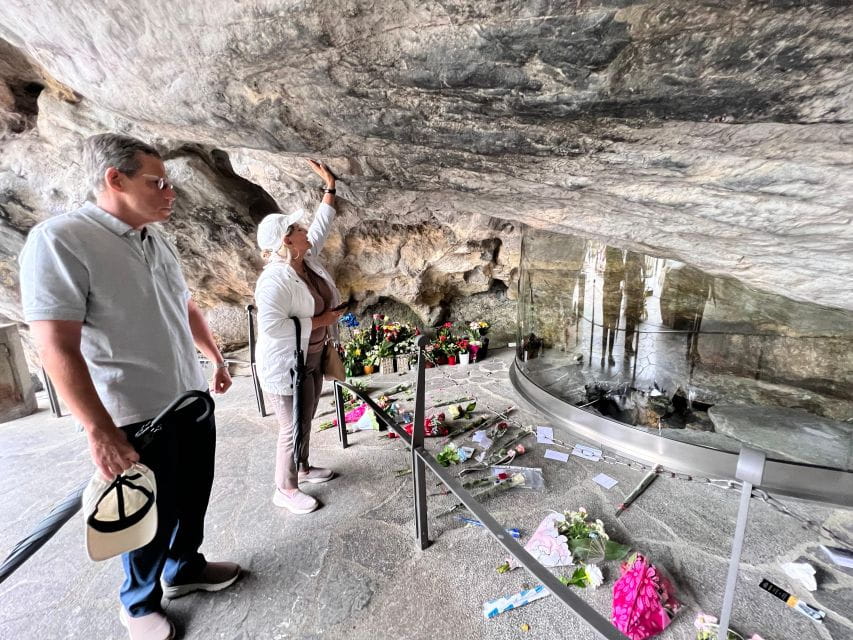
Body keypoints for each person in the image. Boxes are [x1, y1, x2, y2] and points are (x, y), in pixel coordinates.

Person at [19, 133, 240, 640]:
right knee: (146, 513)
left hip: (188, 397)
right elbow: (55, 344)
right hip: (135, 412)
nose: (170, 193)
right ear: (113, 179)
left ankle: (184, 569)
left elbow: (184, 306)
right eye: (156, 182)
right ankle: (138, 603)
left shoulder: (154, 238)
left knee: (191, 497)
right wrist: (98, 430)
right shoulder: (61, 240)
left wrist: (214, 356)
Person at [254, 159, 343, 515]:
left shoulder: (306, 261)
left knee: (306, 417)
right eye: (298, 228)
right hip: (286, 365)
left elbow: (321, 226)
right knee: (290, 426)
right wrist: (322, 318)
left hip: (312, 356)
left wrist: (330, 189)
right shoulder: (274, 279)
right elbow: (272, 327)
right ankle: (285, 488)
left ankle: (303, 467)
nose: (306, 230)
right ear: (286, 240)